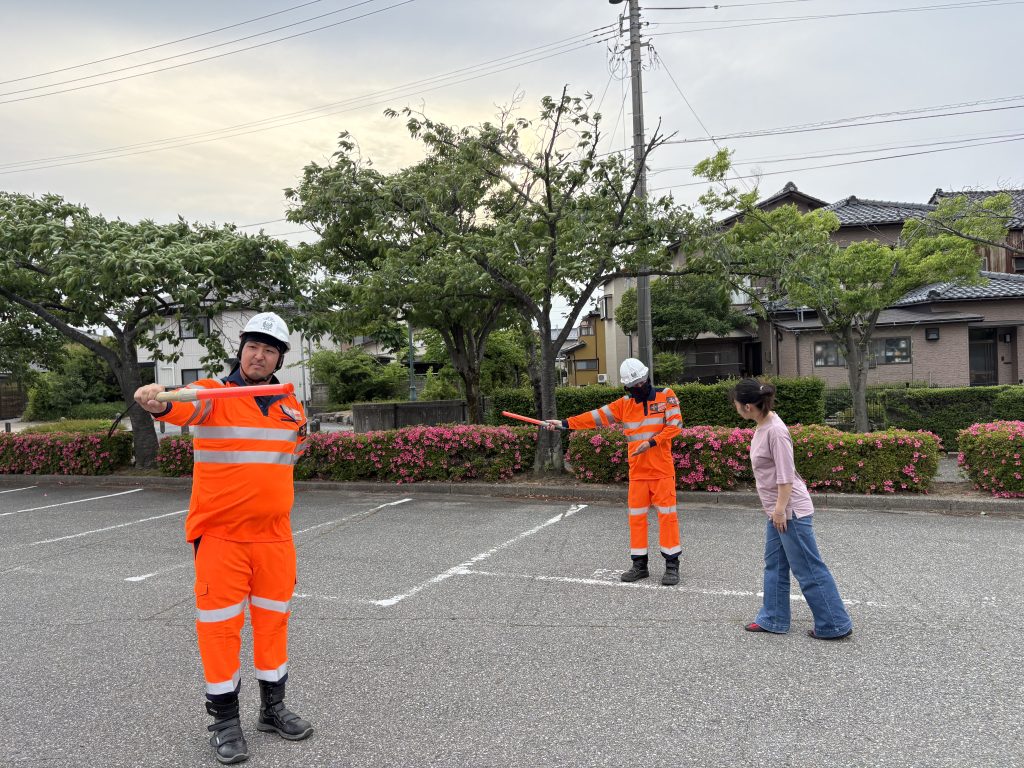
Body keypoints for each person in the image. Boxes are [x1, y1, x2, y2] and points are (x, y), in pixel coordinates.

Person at [134, 312, 313, 765]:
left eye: (270, 350)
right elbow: (179, 406)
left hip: (275, 539)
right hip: (221, 539)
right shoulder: (213, 394)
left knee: (273, 625)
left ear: (279, 359)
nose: (260, 355)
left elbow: (288, 458)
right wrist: (156, 402)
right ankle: (225, 722)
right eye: (253, 346)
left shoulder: (292, 407)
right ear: (241, 350)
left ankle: (272, 710)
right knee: (220, 631)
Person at [731, 379, 853, 640]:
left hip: (789, 511)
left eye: (737, 403)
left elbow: (785, 477)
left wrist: (779, 511)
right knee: (774, 564)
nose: (736, 407)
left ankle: (835, 624)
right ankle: (774, 618)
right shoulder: (763, 425)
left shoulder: (775, 431)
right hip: (777, 510)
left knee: (808, 568)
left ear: (748, 406)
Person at [545, 358, 683, 585]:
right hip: (638, 474)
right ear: (627, 387)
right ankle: (639, 566)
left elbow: (675, 425)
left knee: (668, 519)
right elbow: (595, 416)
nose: (640, 386)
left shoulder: (666, 395)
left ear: (647, 377)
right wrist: (564, 423)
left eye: (642, 381)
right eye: (635, 385)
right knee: (636, 520)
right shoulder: (624, 405)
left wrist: (651, 443)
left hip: (662, 472)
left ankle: (671, 566)